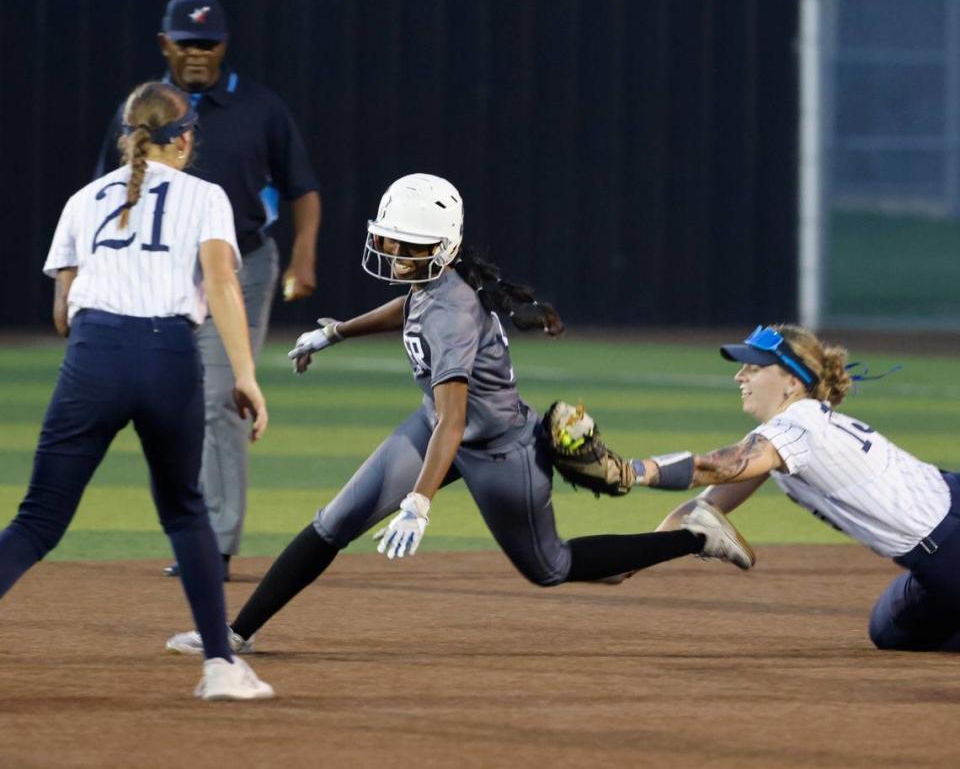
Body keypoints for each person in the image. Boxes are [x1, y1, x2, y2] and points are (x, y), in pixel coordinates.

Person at [165, 172, 754, 656]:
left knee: (550, 566)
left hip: (500, 450)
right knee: (333, 522)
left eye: (404, 244)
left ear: (437, 249)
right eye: (390, 240)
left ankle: (692, 537)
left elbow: (455, 420)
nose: (391, 251)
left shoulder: (452, 313)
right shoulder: (437, 278)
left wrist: (419, 503)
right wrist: (336, 333)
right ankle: (233, 633)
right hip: (438, 428)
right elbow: (408, 306)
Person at [0, 81, 273, 699]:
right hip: (167, 356)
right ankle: (221, 669)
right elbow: (223, 284)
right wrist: (246, 375)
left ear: (128, 136)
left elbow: (63, 313)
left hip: (93, 358)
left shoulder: (81, 200)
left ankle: (222, 666)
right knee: (184, 511)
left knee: (38, 520)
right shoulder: (205, 196)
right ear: (182, 140)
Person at [95, 0, 321, 580]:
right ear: (164, 43)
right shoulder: (142, 108)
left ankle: (213, 546)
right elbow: (108, 190)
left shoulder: (260, 107)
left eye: (208, 41)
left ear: (224, 44)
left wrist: (303, 257)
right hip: (165, 270)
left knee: (221, 397)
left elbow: (303, 188)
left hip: (241, 267)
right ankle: (193, 530)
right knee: (170, 401)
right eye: (186, 41)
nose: (197, 52)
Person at [629, 324, 960, 652]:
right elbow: (705, 507)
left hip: (948, 545)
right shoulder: (787, 432)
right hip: (943, 529)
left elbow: (715, 467)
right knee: (889, 630)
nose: (739, 376)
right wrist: (632, 561)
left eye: (755, 368)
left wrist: (634, 472)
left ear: (792, 380)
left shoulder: (796, 427)